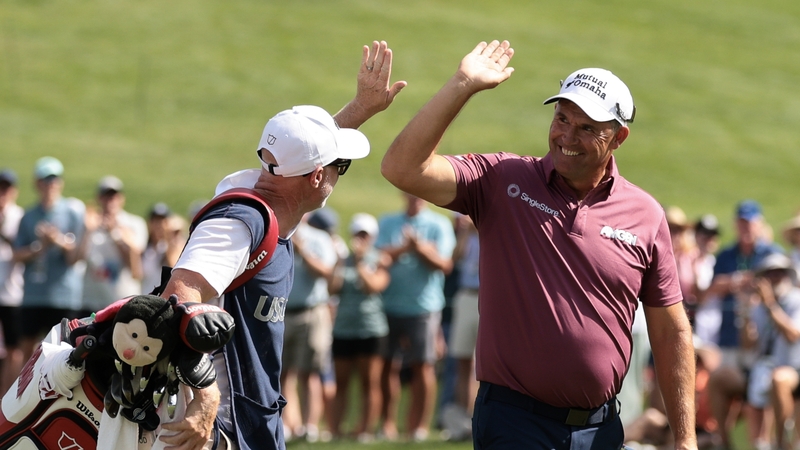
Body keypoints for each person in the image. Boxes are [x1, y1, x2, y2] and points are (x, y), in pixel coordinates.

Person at [380, 40, 697, 449]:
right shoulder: (502, 179)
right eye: (562, 118)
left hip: (601, 430)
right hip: (515, 422)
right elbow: (401, 168)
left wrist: (685, 439)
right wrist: (463, 84)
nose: (567, 136)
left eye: (587, 128)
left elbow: (671, 330)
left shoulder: (646, 215)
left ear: (619, 138)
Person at [156, 40, 405, 450]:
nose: (341, 175)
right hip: (220, 428)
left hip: (252, 421)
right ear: (315, 178)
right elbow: (176, 300)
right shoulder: (241, 224)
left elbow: (308, 158)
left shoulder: (268, 202)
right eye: (340, 167)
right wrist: (205, 395)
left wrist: (361, 108)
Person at [375, 192, 455, 442]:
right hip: (389, 304)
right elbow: (379, 257)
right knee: (387, 365)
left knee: (423, 365)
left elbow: (444, 264)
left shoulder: (438, 225)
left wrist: (418, 247)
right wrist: (409, 247)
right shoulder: (388, 222)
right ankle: (387, 424)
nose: (415, 198)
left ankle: (417, 427)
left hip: (424, 307)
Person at [704, 200, 783, 449]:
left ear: (760, 224)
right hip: (731, 337)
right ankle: (723, 442)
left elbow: (781, 291)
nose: (746, 228)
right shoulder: (727, 255)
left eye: (750, 223)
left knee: (758, 396)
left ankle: (763, 443)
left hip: (765, 343)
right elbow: (711, 289)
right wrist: (736, 282)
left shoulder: (772, 255)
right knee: (722, 385)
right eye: (741, 223)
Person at [707, 251, 799, 450]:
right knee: (719, 377)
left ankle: (782, 444)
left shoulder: (795, 300)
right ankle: (724, 443)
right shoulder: (758, 305)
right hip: (760, 368)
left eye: (779, 273)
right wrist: (747, 318)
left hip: (791, 368)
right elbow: (749, 345)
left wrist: (770, 306)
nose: (775, 278)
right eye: (771, 274)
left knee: (778, 379)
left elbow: (792, 335)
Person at [12, 157, 84, 365]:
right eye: (45, 180)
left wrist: (57, 241)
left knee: (64, 352)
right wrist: (40, 247)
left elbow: (75, 256)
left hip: (64, 295)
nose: (50, 185)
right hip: (34, 295)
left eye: (54, 180)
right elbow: (17, 254)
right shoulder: (29, 215)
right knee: (28, 350)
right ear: (37, 183)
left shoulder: (72, 213)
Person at [328, 213, 390, 441]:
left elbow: (372, 286)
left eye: (365, 235)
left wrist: (361, 262)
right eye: (357, 234)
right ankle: (335, 430)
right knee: (341, 382)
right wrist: (338, 262)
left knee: (369, 382)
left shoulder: (379, 259)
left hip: (371, 328)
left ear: (372, 237)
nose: (361, 239)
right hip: (344, 328)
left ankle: (365, 430)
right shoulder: (342, 260)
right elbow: (332, 289)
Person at [280, 212, 337, 443]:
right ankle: (285, 425)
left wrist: (302, 250)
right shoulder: (278, 236)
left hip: (312, 311)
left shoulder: (319, 238)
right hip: (282, 313)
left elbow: (326, 272)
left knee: (310, 372)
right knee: (282, 373)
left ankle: (309, 426)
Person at [76, 175, 148, 316]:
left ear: (121, 199)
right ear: (99, 198)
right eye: (106, 196)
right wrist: (88, 231)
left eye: (114, 196)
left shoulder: (134, 224)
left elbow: (134, 264)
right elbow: (78, 258)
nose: (110, 201)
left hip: (123, 301)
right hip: (92, 302)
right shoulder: (89, 223)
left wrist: (115, 234)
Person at [440, 213, 480, 441]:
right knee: (462, 359)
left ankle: (476, 417)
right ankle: (462, 420)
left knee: (479, 364)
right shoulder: (466, 235)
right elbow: (455, 258)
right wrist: (465, 232)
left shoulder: (490, 229)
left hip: (488, 297)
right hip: (465, 295)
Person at [0, 169, 24, 393]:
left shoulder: (19, 216)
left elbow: (23, 250)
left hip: (12, 293)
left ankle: (5, 398)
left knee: (13, 348)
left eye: (6, 189)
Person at [141, 202, 187, 295]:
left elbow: (172, 267)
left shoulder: (174, 245)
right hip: (146, 296)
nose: (159, 225)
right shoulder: (146, 247)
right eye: (155, 221)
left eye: (162, 221)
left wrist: (170, 237)